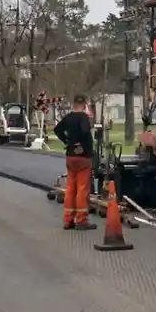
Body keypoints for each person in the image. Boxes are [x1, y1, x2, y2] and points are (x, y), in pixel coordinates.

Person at [53, 94, 96, 231]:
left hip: (70, 156)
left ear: (73, 104)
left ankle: (68, 219)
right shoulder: (83, 117)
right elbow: (85, 131)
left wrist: (67, 141)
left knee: (71, 188)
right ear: (84, 104)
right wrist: (81, 145)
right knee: (82, 188)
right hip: (83, 157)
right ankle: (81, 219)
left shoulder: (69, 117)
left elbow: (57, 129)